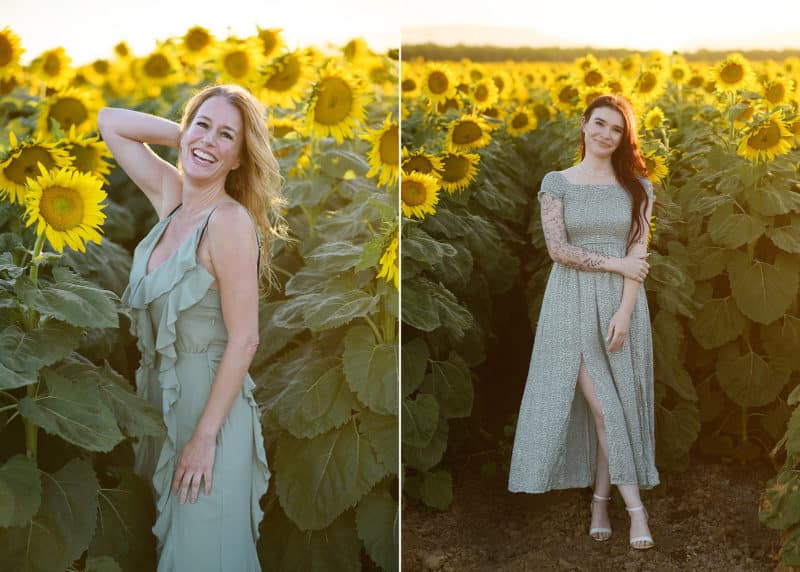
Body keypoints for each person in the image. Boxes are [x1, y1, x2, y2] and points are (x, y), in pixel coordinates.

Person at [98, 83, 287, 570]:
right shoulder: (173, 197)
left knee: (204, 556)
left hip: (211, 413)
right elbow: (110, 121)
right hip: (163, 404)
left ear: (241, 158)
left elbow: (245, 338)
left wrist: (204, 438)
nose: (209, 141)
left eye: (228, 137)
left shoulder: (228, 222)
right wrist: (191, 138)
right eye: (202, 124)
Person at [507, 94, 658, 550]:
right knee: (605, 408)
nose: (606, 135)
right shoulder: (558, 183)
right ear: (584, 124)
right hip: (570, 304)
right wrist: (617, 268)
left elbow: (638, 253)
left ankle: (598, 501)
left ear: (624, 136)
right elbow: (559, 250)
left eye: (616, 129)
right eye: (600, 124)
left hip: (622, 306)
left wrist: (626, 312)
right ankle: (636, 512)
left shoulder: (639, 188)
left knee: (618, 407)